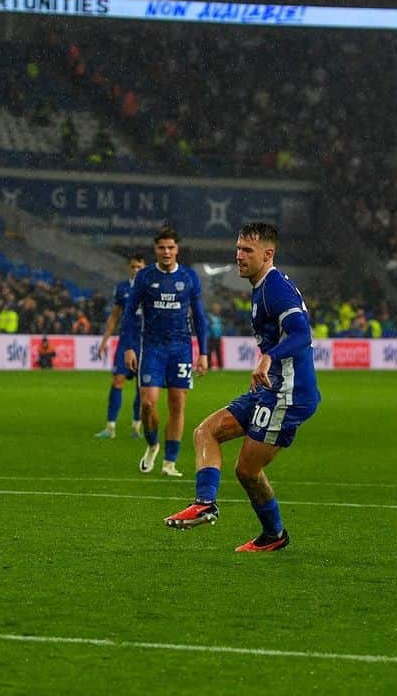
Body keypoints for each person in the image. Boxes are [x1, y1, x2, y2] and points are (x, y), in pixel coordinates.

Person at [163, 223, 320, 552]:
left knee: (247, 469)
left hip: (289, 394)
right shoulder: (261, 286)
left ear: (268, 254)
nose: (239, 255)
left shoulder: (276, 288)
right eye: (238, 248)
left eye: (247, 250)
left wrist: (268, 358)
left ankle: (274, 535)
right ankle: (205, 503)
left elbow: (302, 334)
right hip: (270, 388)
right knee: (206, 431)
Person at [120, 226, 208, 477]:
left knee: (177, 405)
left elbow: (200, 317)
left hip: (181, 348)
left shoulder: (190, 277)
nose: (166, 252)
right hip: (152, 349)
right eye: (162, 248)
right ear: (155, 250)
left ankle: (170, 462)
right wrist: (128, 347)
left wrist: (202, 352)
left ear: (177, 249)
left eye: (171, 247)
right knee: (147, 403)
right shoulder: (145, 277)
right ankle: (152, 444)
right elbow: (128, 314)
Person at [94, 253, 146, 440]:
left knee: (143, 387)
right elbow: (115, 316)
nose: (136, 270)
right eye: (133, 267)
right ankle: (110, 427)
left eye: (140, 267)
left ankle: (136, 427)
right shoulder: (122, 288)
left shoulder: (151, 287)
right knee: (117, 380)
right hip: (125, 341)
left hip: (145, 342)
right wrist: (104, 341)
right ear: (129, 268)